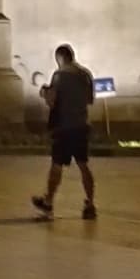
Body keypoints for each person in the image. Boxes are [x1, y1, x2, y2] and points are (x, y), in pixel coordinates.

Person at [31, 42, 97, 221]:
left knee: (56, 165)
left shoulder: (60, 75)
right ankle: (90, 204)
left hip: (64, 126)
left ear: (60, 58)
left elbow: (52, 101)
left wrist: (45, 92)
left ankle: (49, 202)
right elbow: (90, 100)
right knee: (84, 165)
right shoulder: (85, 75)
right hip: (81, 125)